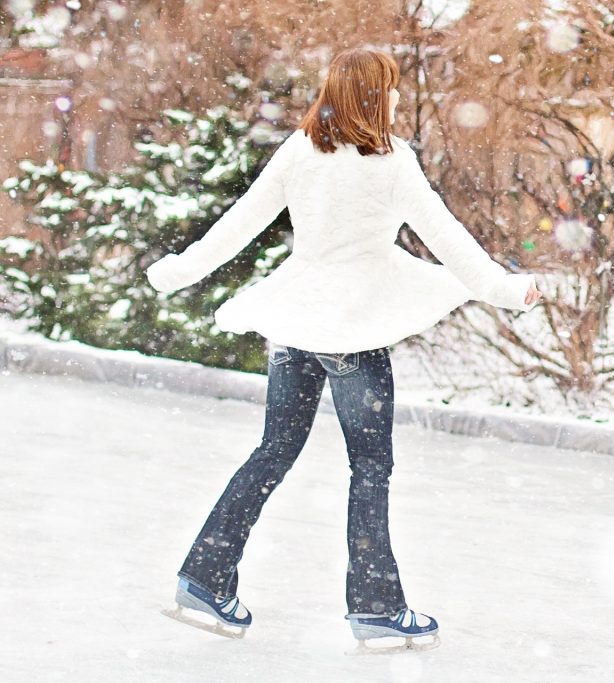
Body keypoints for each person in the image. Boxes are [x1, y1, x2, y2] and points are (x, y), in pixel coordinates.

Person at [146, 46, 542, 646]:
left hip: (298, 322)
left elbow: (238, 224)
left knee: (273, 451)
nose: (397, 98)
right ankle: (377, 606)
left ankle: (204, 576)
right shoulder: (390, 162)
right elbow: (447, 239)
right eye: (390, 88)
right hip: (352, 330)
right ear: (373, 95)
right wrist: (504, 290)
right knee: (371, 466)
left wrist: (178, 271)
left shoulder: (301, 152)